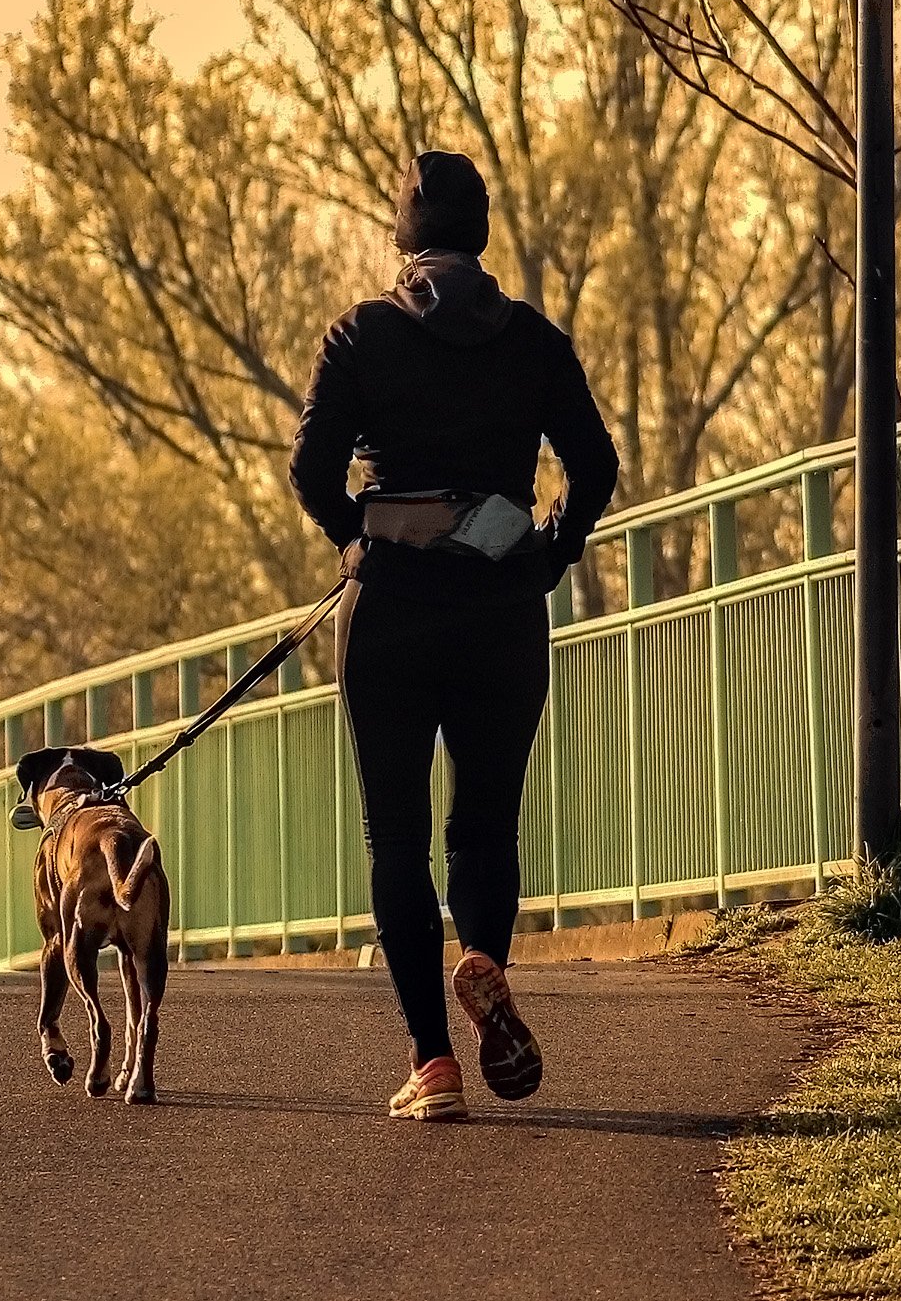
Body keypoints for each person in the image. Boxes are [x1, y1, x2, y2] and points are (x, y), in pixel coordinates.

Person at [290, 149, 618, 1122]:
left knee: (394, 834)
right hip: (499, 607)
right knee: (485, 821)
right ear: (480, 231)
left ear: (404, 234)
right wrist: (540, 555)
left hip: (390, 604)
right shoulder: (532, 341)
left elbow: (313, 472)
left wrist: (365, 539)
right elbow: (592, 466)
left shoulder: (360, 335)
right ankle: (480, 957)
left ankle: (432, 1066)